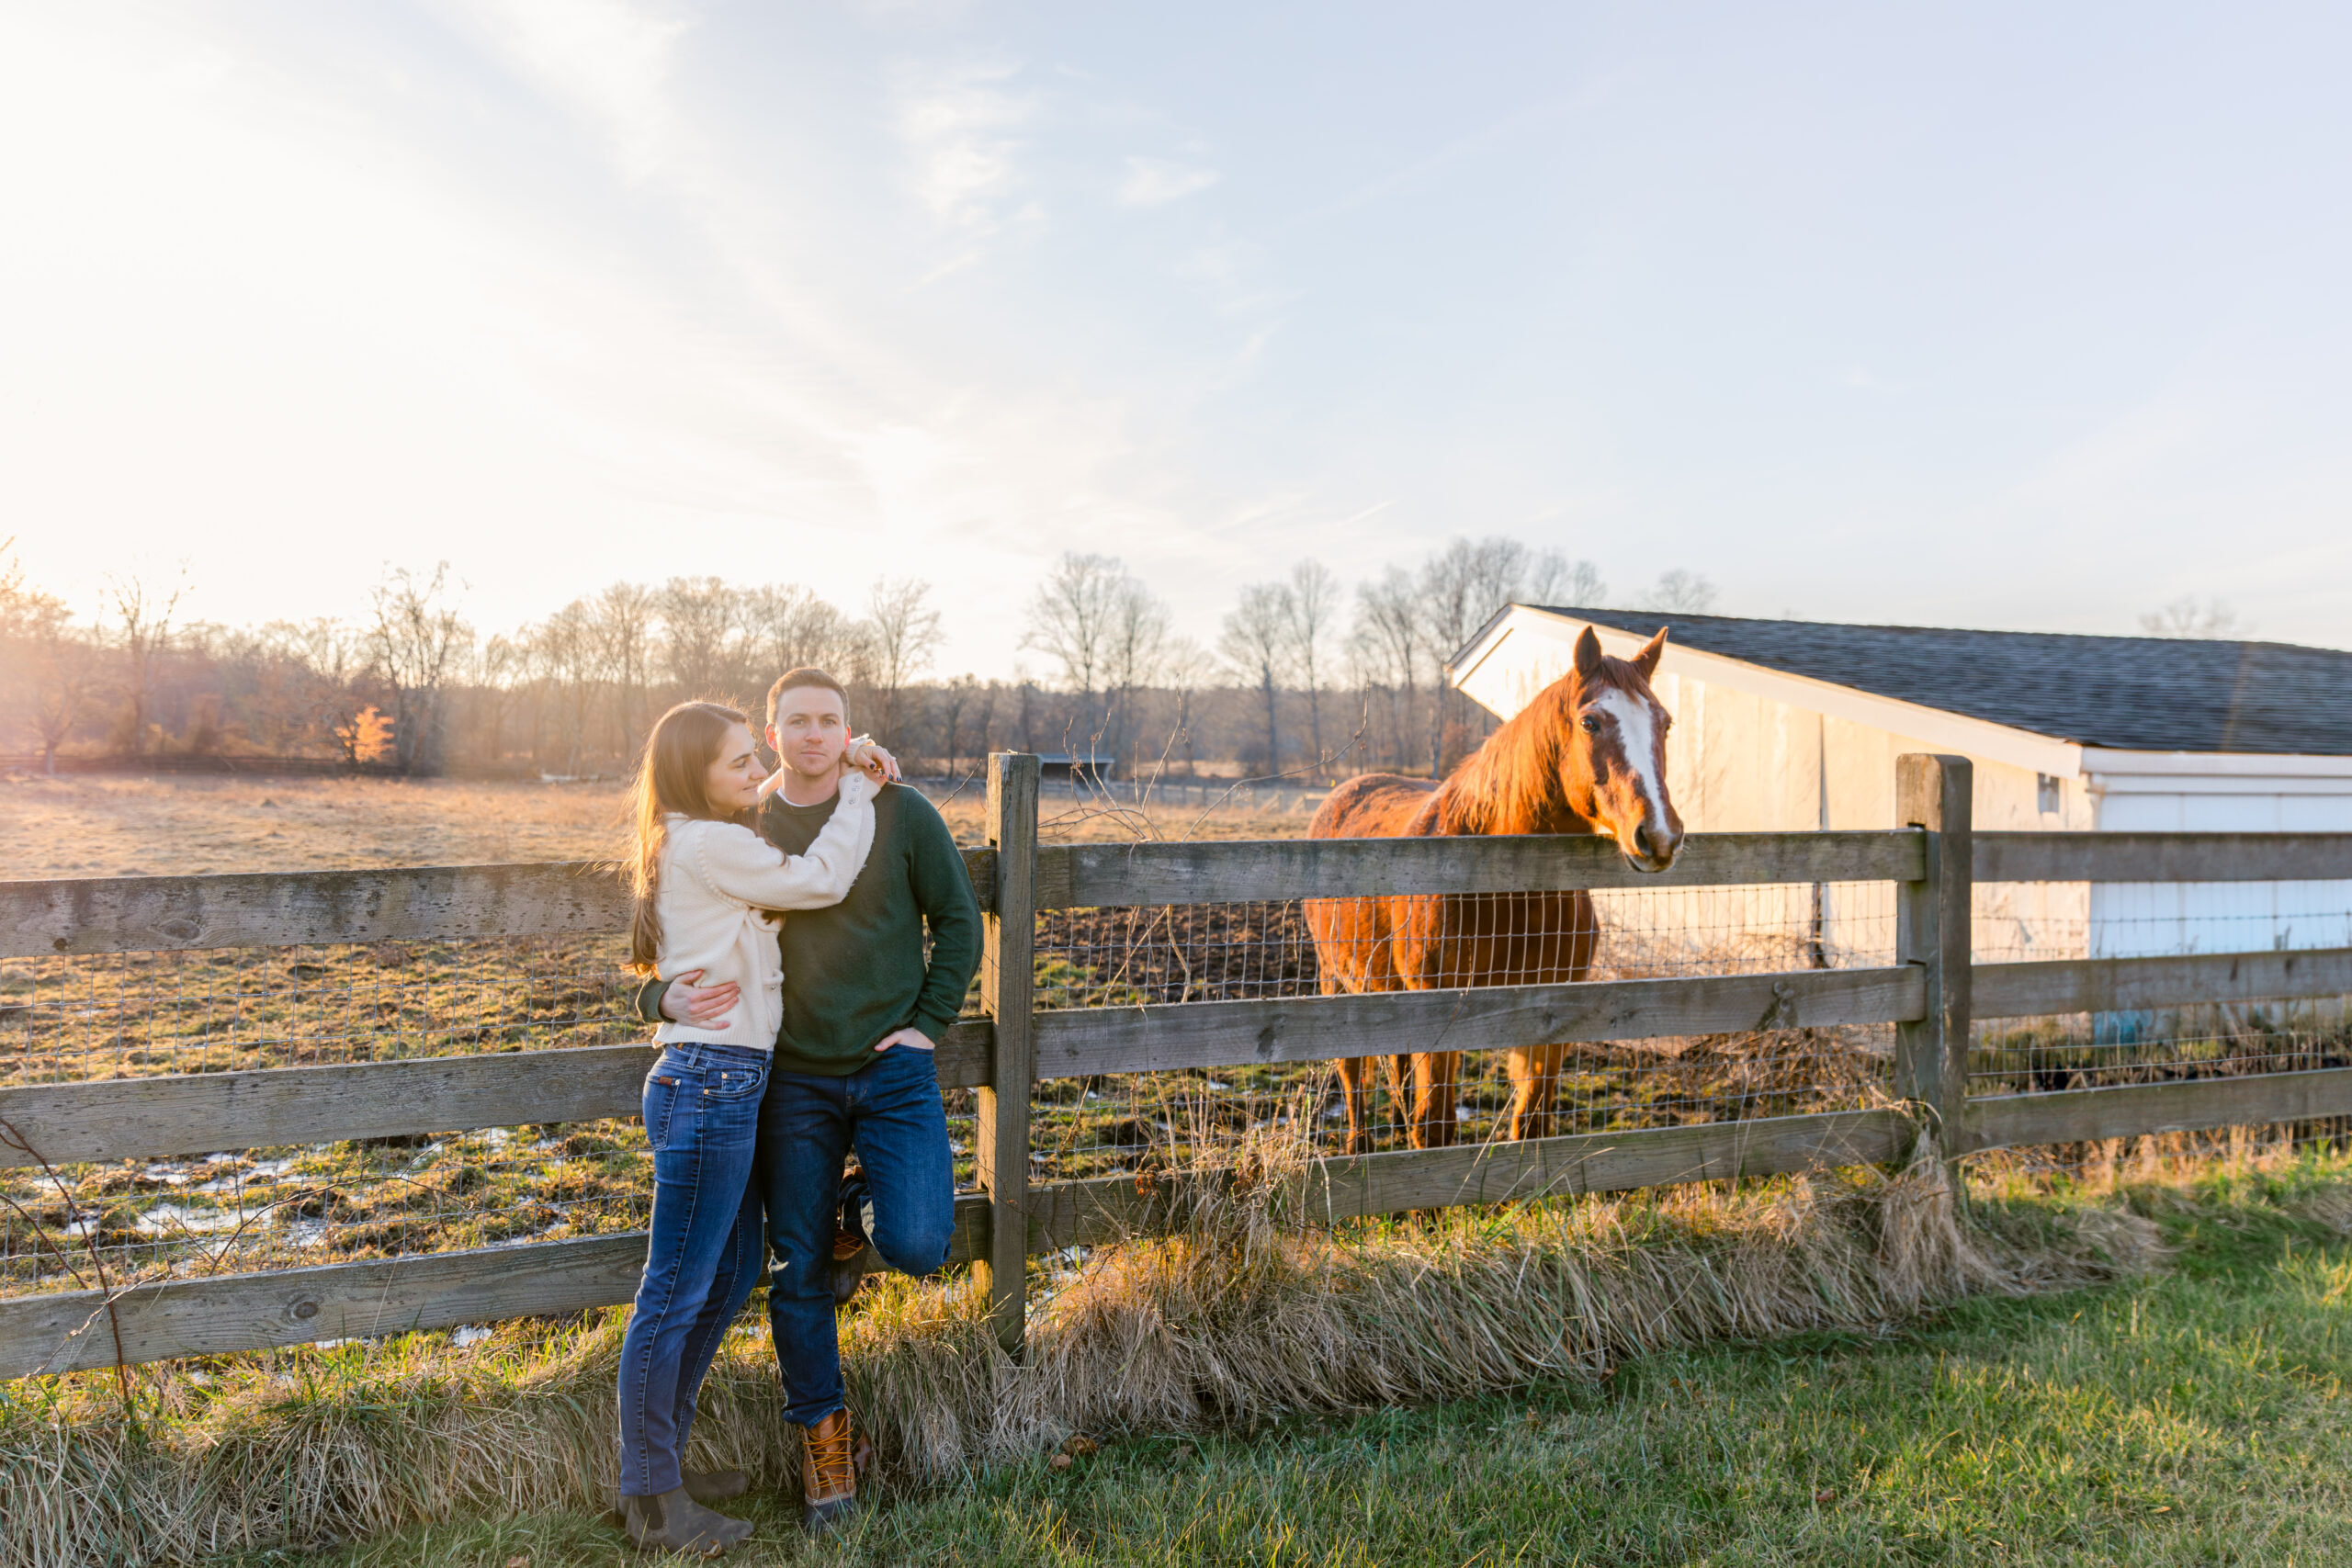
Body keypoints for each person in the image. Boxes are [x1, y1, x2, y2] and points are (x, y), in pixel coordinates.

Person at [636, 667, 980, 1534]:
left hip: (891, 1066)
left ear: (849, 729)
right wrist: (657, 1000)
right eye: (798, 721)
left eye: (832, 721)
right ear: (773, 732)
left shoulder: (902, 809)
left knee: (916, 1240)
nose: (816, 735)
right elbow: (668, 924)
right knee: (791, 1271)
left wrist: (931, 1020)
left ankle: (851, 1201)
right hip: (787, 1080)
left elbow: (962, 919)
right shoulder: (740, 821)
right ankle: (823, 1442)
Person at [612, 698, 894, 1553]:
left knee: (729, 1273)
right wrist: (853, 791)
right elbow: (819, 881)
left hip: (718, 1079)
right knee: (674, 1290)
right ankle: (653, 1496)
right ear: (697, 774)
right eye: (740, 762)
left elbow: (745, 816)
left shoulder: (691, 835)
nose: (755, 776)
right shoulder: (711, 842)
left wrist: (814, 772)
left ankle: (666, 1462)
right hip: (712, 1082)